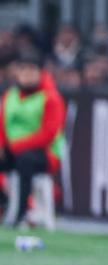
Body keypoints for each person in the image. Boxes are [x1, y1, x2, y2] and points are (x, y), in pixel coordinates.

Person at [0, 50, 66, 228]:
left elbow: (48, 134)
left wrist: (15, 146)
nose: (27, 75)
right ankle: (6, 206)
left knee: (25, 161)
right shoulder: (10, 96)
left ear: (40, 73)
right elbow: (1, 125)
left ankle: (23, 214)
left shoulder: (51, 98)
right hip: (13, 150)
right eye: (23, 71)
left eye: (31, 71)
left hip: (45, 154)